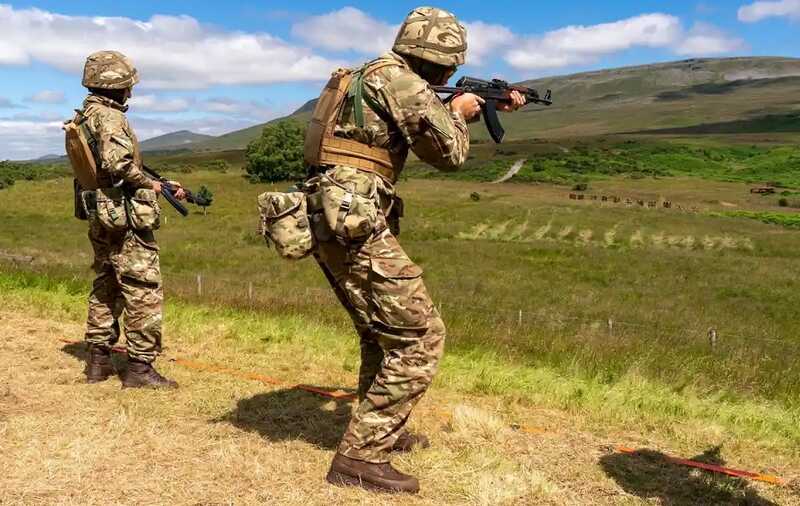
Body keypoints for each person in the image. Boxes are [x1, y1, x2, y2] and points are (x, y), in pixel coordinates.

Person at [304, 7, 526, 493]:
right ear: (441, 63)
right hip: (353, 216)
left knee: (379, 332)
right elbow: (449, 154)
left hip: (334, 213)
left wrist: (463, 104)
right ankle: (360, 458)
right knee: (420, 336)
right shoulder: (405, 85)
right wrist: (461, 112)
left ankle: (380, 431)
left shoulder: (362, 75)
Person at [71, 50, 186, 389]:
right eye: (128, 85)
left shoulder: (85, 115)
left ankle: (98, 359)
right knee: (142, 288)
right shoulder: (109, 117)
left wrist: (158, 181)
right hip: (124, 217)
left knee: (107, 283)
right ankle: (139, 368)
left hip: (101, 213)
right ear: (117, 85)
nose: (131, 92)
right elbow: (117, 164)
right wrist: (151, 184)